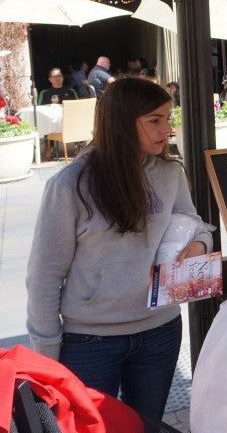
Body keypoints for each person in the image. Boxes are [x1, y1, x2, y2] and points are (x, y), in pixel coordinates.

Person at [25, 77, 214, 421]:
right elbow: (43, 275)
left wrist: (200, 242)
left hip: (161, 330)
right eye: (154, 121)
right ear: (122, 123)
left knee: (145, 426)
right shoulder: (71, 185)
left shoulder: (170, 172)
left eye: (168, 119)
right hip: (89, 342)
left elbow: (194, 221)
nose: (167, 129)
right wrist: (47, 354)